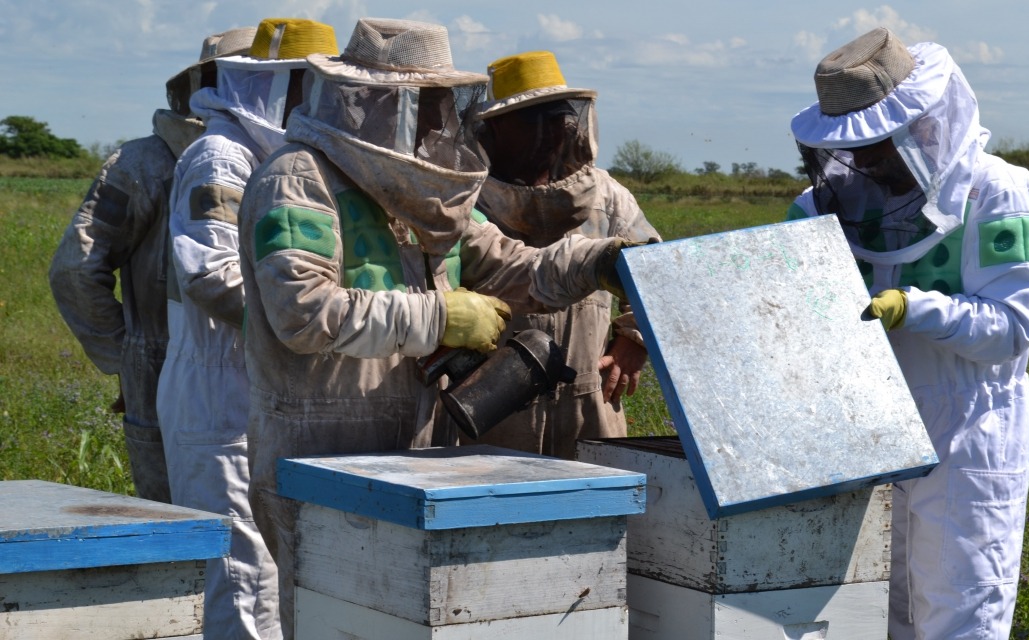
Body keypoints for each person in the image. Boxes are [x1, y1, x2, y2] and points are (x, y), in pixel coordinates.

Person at [236, 18, 637, 638]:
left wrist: (599, 261)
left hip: (420, 452)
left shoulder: (429, 200)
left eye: (443, 105)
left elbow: (516, 269)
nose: (438, 122)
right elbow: (303, 311)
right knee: (335, 621)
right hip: (317, 452)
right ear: (375, 103)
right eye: (425, 104)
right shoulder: (298, 180)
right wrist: (441, 316)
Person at [787, 27, 1029, 639]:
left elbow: (1011, 330)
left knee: (961, 618)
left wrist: (913, 308)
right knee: (869, 616)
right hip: (864, 435)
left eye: (880, 144)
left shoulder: (1001, 192)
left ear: (927, 122)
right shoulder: (827, 205)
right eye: (858, 148)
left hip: (968, 437)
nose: (870, 161)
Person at [158, 18, 338, 640]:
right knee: (242, 585)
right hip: (221, 394)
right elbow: (210, 274)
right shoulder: (221, 154)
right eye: (308, 88)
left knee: (280, 578)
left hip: (266, 389)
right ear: (270, 86)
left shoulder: (283, 161)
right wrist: (306, 321)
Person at [48, 27, 257, 504]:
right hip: (178, 368)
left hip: (234, 373)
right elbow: (76, 271)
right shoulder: (143, 163)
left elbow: (75, 269)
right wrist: (125, 355)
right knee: (186, 539)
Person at [467, 50, 661, 458]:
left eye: (558, 116)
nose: (553, 130)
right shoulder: (465, 204)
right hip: (490, 410)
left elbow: (658, 272)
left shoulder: (608, 198)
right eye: (533, 119)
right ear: (495, 128)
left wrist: (634, 340)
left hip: (590, 403)